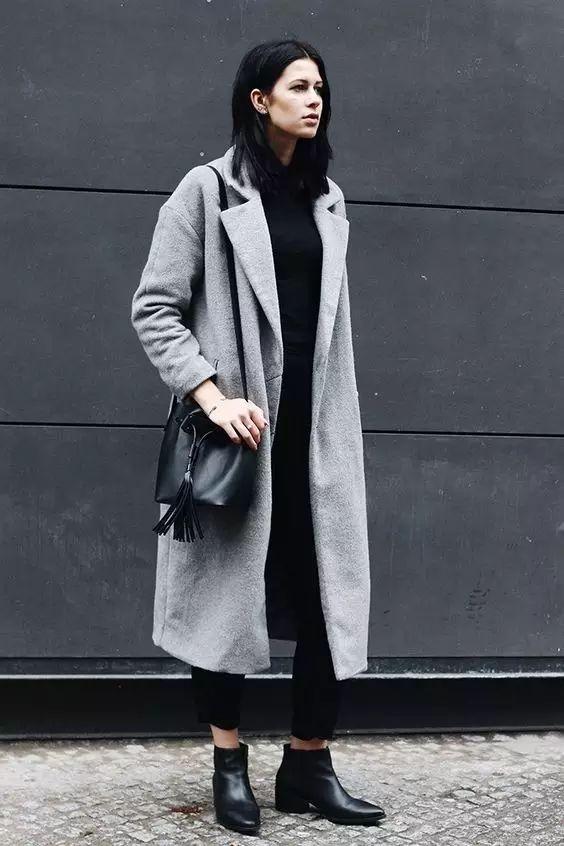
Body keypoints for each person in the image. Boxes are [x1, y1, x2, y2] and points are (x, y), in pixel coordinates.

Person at [131, 38, 386, 836]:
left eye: (321, 89)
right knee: (225, 600)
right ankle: (228, 762)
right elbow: (155, 308)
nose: (315, 100)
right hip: (240, 434)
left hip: (316, 434)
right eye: (299, 87)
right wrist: (211, 396)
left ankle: (309, 763)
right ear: (258, 98)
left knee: (325, 596)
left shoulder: (327, 199)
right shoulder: (206, 191)